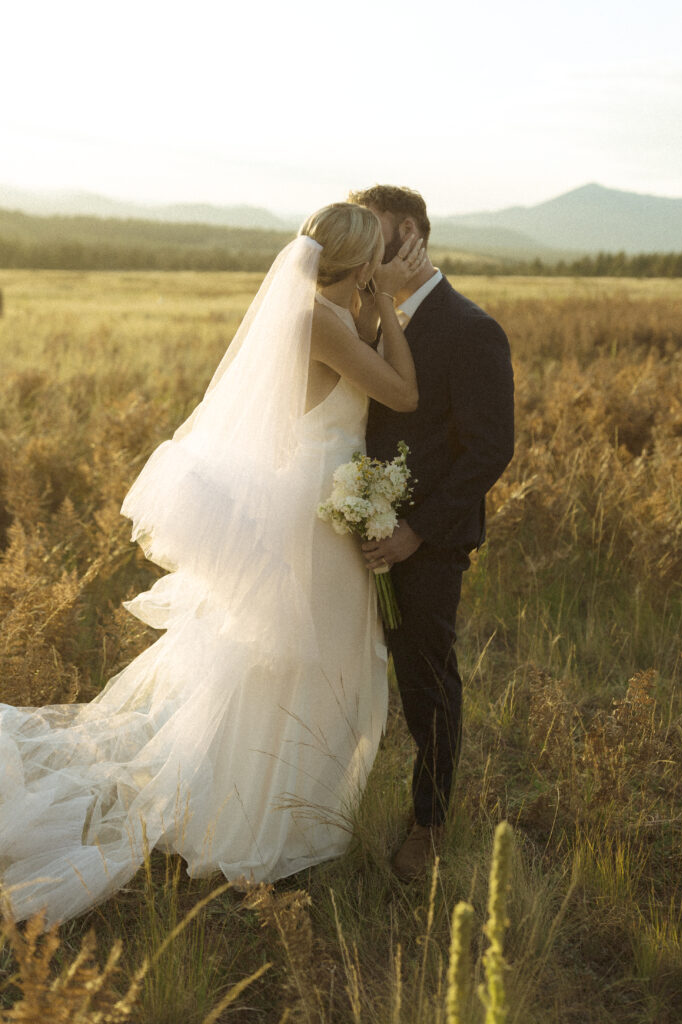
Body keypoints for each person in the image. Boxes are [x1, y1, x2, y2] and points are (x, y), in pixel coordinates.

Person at [0, 203, 426, 926]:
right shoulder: (324, 323)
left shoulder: (323, 313)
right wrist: (386, 302)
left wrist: (373, 304)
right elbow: (404, 393)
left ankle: (284, 808)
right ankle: (257, 817)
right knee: (299, 663)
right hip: (315, 518)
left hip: (321, 502)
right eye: (375, 259)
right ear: (356, 266)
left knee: (297, 661)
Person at [348, 185, 514, 881]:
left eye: (373, 233)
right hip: (354, 527)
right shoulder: (359, 317)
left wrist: (415, 532)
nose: (360, 248)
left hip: (427, 540)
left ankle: (429, 822)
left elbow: (487, 449)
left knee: (426, 681)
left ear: (409, 235)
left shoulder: (469, 329)